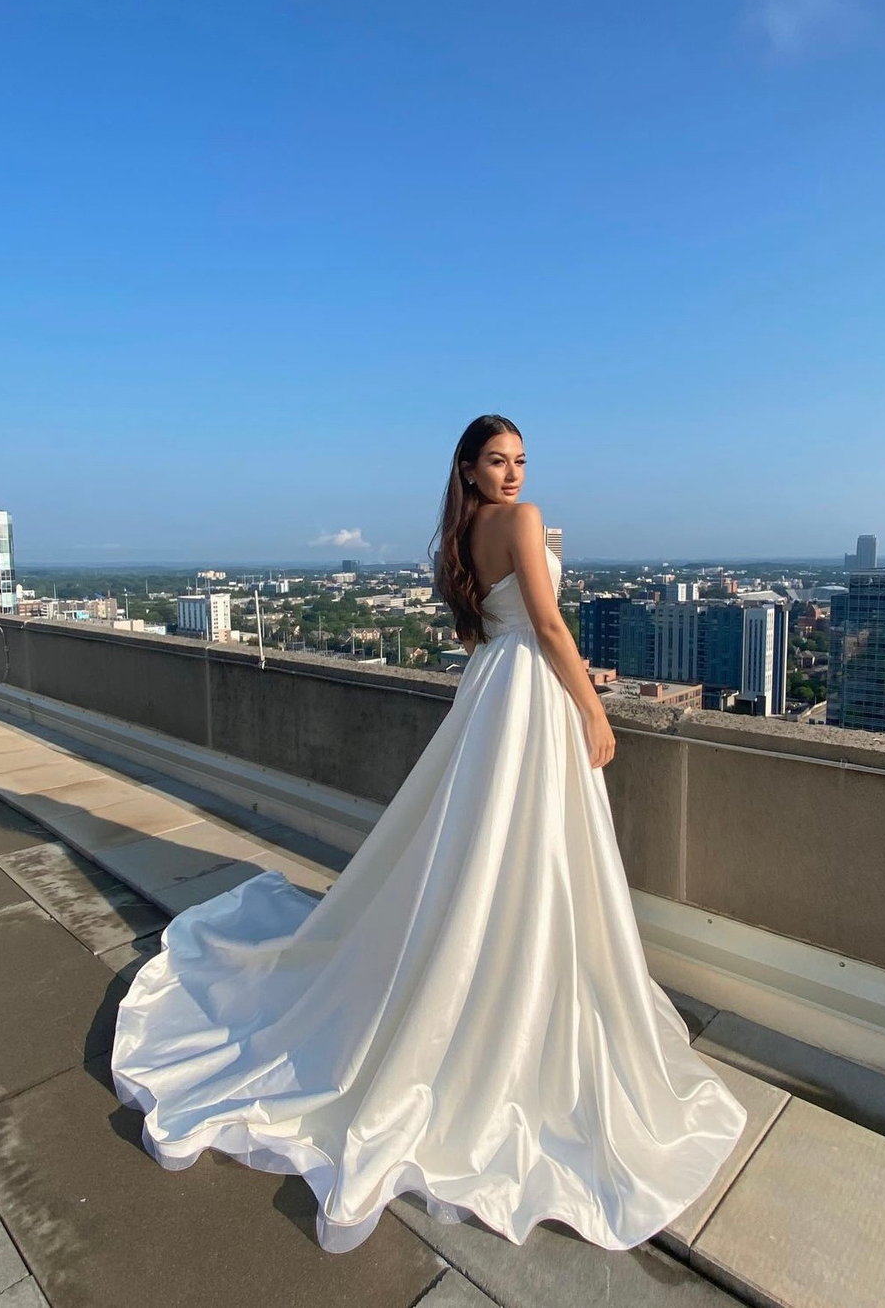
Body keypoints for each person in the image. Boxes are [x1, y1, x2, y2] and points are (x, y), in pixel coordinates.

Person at [111, 414, 748, 1254]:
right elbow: (552, 628)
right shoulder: (520, 522)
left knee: (480, 853)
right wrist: (593, 709)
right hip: (533, 693)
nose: (514, 473)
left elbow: (485, 627)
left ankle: (485, 983)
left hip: (493, 694)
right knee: (531, 853)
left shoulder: (462, 534)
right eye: (498, 460)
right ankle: (515, 995)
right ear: (469, 466)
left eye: (521, 460)